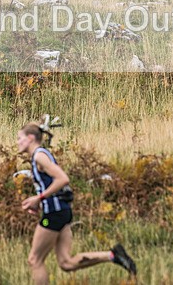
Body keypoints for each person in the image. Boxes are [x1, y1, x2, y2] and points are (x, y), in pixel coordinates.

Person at [17, 122, 136, 284]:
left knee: (34, 260)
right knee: (66, 263)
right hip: (61, 212)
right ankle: (114, 256)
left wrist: (39, 198)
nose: (17, 142)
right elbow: (52, 184)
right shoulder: (41, 155)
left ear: (30, 138)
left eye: (20, 138)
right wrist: (40, 202)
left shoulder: (39, 155)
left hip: (53, 215)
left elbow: (63, 178)